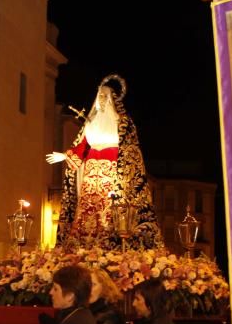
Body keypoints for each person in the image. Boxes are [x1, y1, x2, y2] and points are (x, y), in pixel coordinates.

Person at [47, 75, 162, 251]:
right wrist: (64, 155)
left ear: (111, 99)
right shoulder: (90, 123)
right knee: (88, 207)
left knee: (109, 209)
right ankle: (83, 243)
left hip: (112, 169)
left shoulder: (122, 122)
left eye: (104, 96)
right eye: (98, 96)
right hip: (91, 172)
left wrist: (123, 177)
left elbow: (130, 149)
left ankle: (111, 242)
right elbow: (82, 146)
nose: (100, 99)